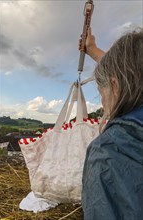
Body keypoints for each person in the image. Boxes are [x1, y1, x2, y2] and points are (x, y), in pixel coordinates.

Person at [80, 28, 143, 219]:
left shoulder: (110, 151)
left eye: (101, 92)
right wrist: (93, 50)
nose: (102, 103)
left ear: (115, 87)